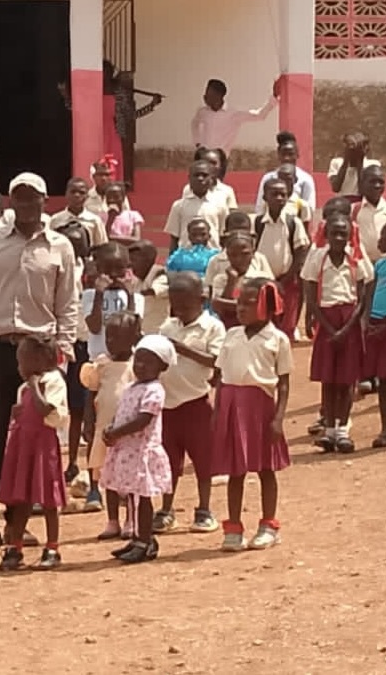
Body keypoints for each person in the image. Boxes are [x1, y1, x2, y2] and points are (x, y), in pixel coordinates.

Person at [0, 171, 80, 549]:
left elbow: (68, 304)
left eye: (34, 198)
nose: (26, 204)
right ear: (11, 201)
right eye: (20, 197)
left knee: (30, 440)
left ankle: (18, 522)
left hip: (39, 353)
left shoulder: (60, 246)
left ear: (45, 201)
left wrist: (61, 355)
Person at [212, 279, 291, 551]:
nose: (240, 308)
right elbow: (221, 378)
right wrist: (218, 410)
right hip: (232, 406)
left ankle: (269, 525)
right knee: (236, 470)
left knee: (266, 469)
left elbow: (283, 382)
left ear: (267, 308)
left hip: (262, 408)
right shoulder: (231, 335)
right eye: (239, 301)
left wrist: (278, 418)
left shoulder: (277, 340)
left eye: (248, 303)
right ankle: (233, 528)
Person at [155, 274, 225, 534]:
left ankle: (204, 509)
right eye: (175, 304)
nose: (180, 310)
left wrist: (181, 349)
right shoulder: (167, 327)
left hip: (196, 402)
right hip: (169, 405)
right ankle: (166, 509)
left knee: (203, 460)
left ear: (202, 300)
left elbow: (215, 360)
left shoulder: (212, 328)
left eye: (185, 305)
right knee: (169, 462)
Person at [100, 334, 175, 564]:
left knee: (142, 498)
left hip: (142, 452)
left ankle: (145, 541)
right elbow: (123, 412)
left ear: (161, 366)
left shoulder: (154, 390)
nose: (140, 366)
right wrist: (111, 428)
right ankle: (137, 538)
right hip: (127, 451)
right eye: (138, 360)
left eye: (148, 362)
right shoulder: (132, 387)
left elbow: (143, 420)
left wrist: (117, 432)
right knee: (132, 496)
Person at [0, 336, 69, 571]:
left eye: (22, 361)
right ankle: (15, 547)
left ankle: (52, 547)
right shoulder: (23, 388)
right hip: (24, 446)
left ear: (40, 360)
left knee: (48, 499)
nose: (19, 368)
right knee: (22, 499)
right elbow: (22, 414)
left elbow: (46, 409)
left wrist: (35, 386)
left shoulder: (53, 381)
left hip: (43, 447)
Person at [301, 216, 371, 454]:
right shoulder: (317, 259)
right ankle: (329, 429)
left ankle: (343, 430)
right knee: (328, 379)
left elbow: (361, 297)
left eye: (344, 233)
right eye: (335, 233)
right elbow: (310, 294)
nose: (339, 238)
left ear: (349, 235)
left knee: (347, 380)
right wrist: (326, 327)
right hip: (326, 321)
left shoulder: (356, 259)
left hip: (348, 320)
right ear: (327, 234)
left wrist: (349, 326)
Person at [80, 311, 137, 540]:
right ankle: (112, 520)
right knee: (108, 476)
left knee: (131, 479)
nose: (111, 342)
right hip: (104, 431)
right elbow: (91, 393)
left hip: (130, 433)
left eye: (118, 337)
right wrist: (88, 420)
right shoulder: (101, 364)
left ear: (133, 338)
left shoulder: (137, 365)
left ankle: (131, 519)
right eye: (109, 337)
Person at [254, 178, 309, 340]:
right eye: (274, 194)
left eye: (283, 195)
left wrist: (286, 278)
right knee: (263, 323)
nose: (279, 198)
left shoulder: (294, 223)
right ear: (265, 197)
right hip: (262, 283)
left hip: (287, 282)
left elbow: (300, 252)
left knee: (286, 326)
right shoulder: (257, 223)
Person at [104, 60, 163, 185]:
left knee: (112, 171)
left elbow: (131, 116)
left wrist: (151, 105)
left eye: (106, 72)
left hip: (112, 137)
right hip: (93, 137)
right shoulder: (90, 92)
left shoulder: (119, 94)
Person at [190, 77, 279, 155]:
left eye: (209, 93)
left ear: (219, 96)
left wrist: (274, 96)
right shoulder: (202, 112)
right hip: (203, 157)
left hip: (220, 159)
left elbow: (260, 115)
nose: (204, 96)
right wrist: (198, 144)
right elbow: (194, 124)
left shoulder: (234, 113)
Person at [205, 231, 274, 329]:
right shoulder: (220, 279)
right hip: (228, 330)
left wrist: (226, 303)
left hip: (258, 330)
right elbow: (219, 309)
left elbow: (267, 307)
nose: (239, 259)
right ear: (227, 255)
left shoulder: (263, 278)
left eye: (245, 254)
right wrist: (231, 282)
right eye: (233, 255)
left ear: (253, 253)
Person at [164, 161, 227, 252]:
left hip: (212, 256)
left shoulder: (220, 205)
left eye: (204, 175)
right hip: (186, 256)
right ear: (189, 178)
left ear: (212, 179)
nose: (200, 178)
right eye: (196, 175)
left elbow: (223, 236)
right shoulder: (179, 206)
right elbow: (174, 237)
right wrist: (171, 261)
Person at [254, 131, 316, 211]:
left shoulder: (305, 179)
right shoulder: (268, 178)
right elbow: (260, 207)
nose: (287, 158)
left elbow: (310, 209)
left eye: (290, 154)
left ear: (297, 155)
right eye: (283, 154)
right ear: (278, 155)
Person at [364, 223, 386, 448]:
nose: (379, 240)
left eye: (383, 236)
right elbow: (368, 295)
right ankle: (385, 429)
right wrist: (366, 321)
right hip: (376, 323)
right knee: (383, 381)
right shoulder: (379, 265)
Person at [49, 177, 108, 250]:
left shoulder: (95, 221)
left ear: (87, 196)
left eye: (82, 192)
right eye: (73, 192)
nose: (77, 195)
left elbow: (102, 246)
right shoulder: (55, 220)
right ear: (66, 194)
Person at [327, 131, 379, 198]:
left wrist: (360, 163)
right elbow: (336, 188)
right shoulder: (336, 162)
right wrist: (346, 162)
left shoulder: (372, 164)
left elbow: (363, 191)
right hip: (342, 202)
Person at [353, 164, 386, 262]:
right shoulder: (354, 210)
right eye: (372, 182)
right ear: (362, 184)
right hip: (363, 266)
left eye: (381, 182)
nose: (377, 186)